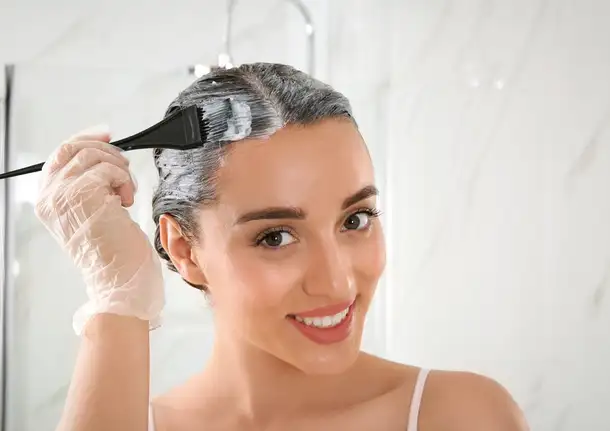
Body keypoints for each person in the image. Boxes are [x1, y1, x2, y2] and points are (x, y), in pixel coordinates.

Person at [35, 63, 529, 431]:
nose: (336, 282)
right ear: (185, 250)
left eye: (356, 219)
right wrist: (117, 295)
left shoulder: (458, 414)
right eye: (276, 236)